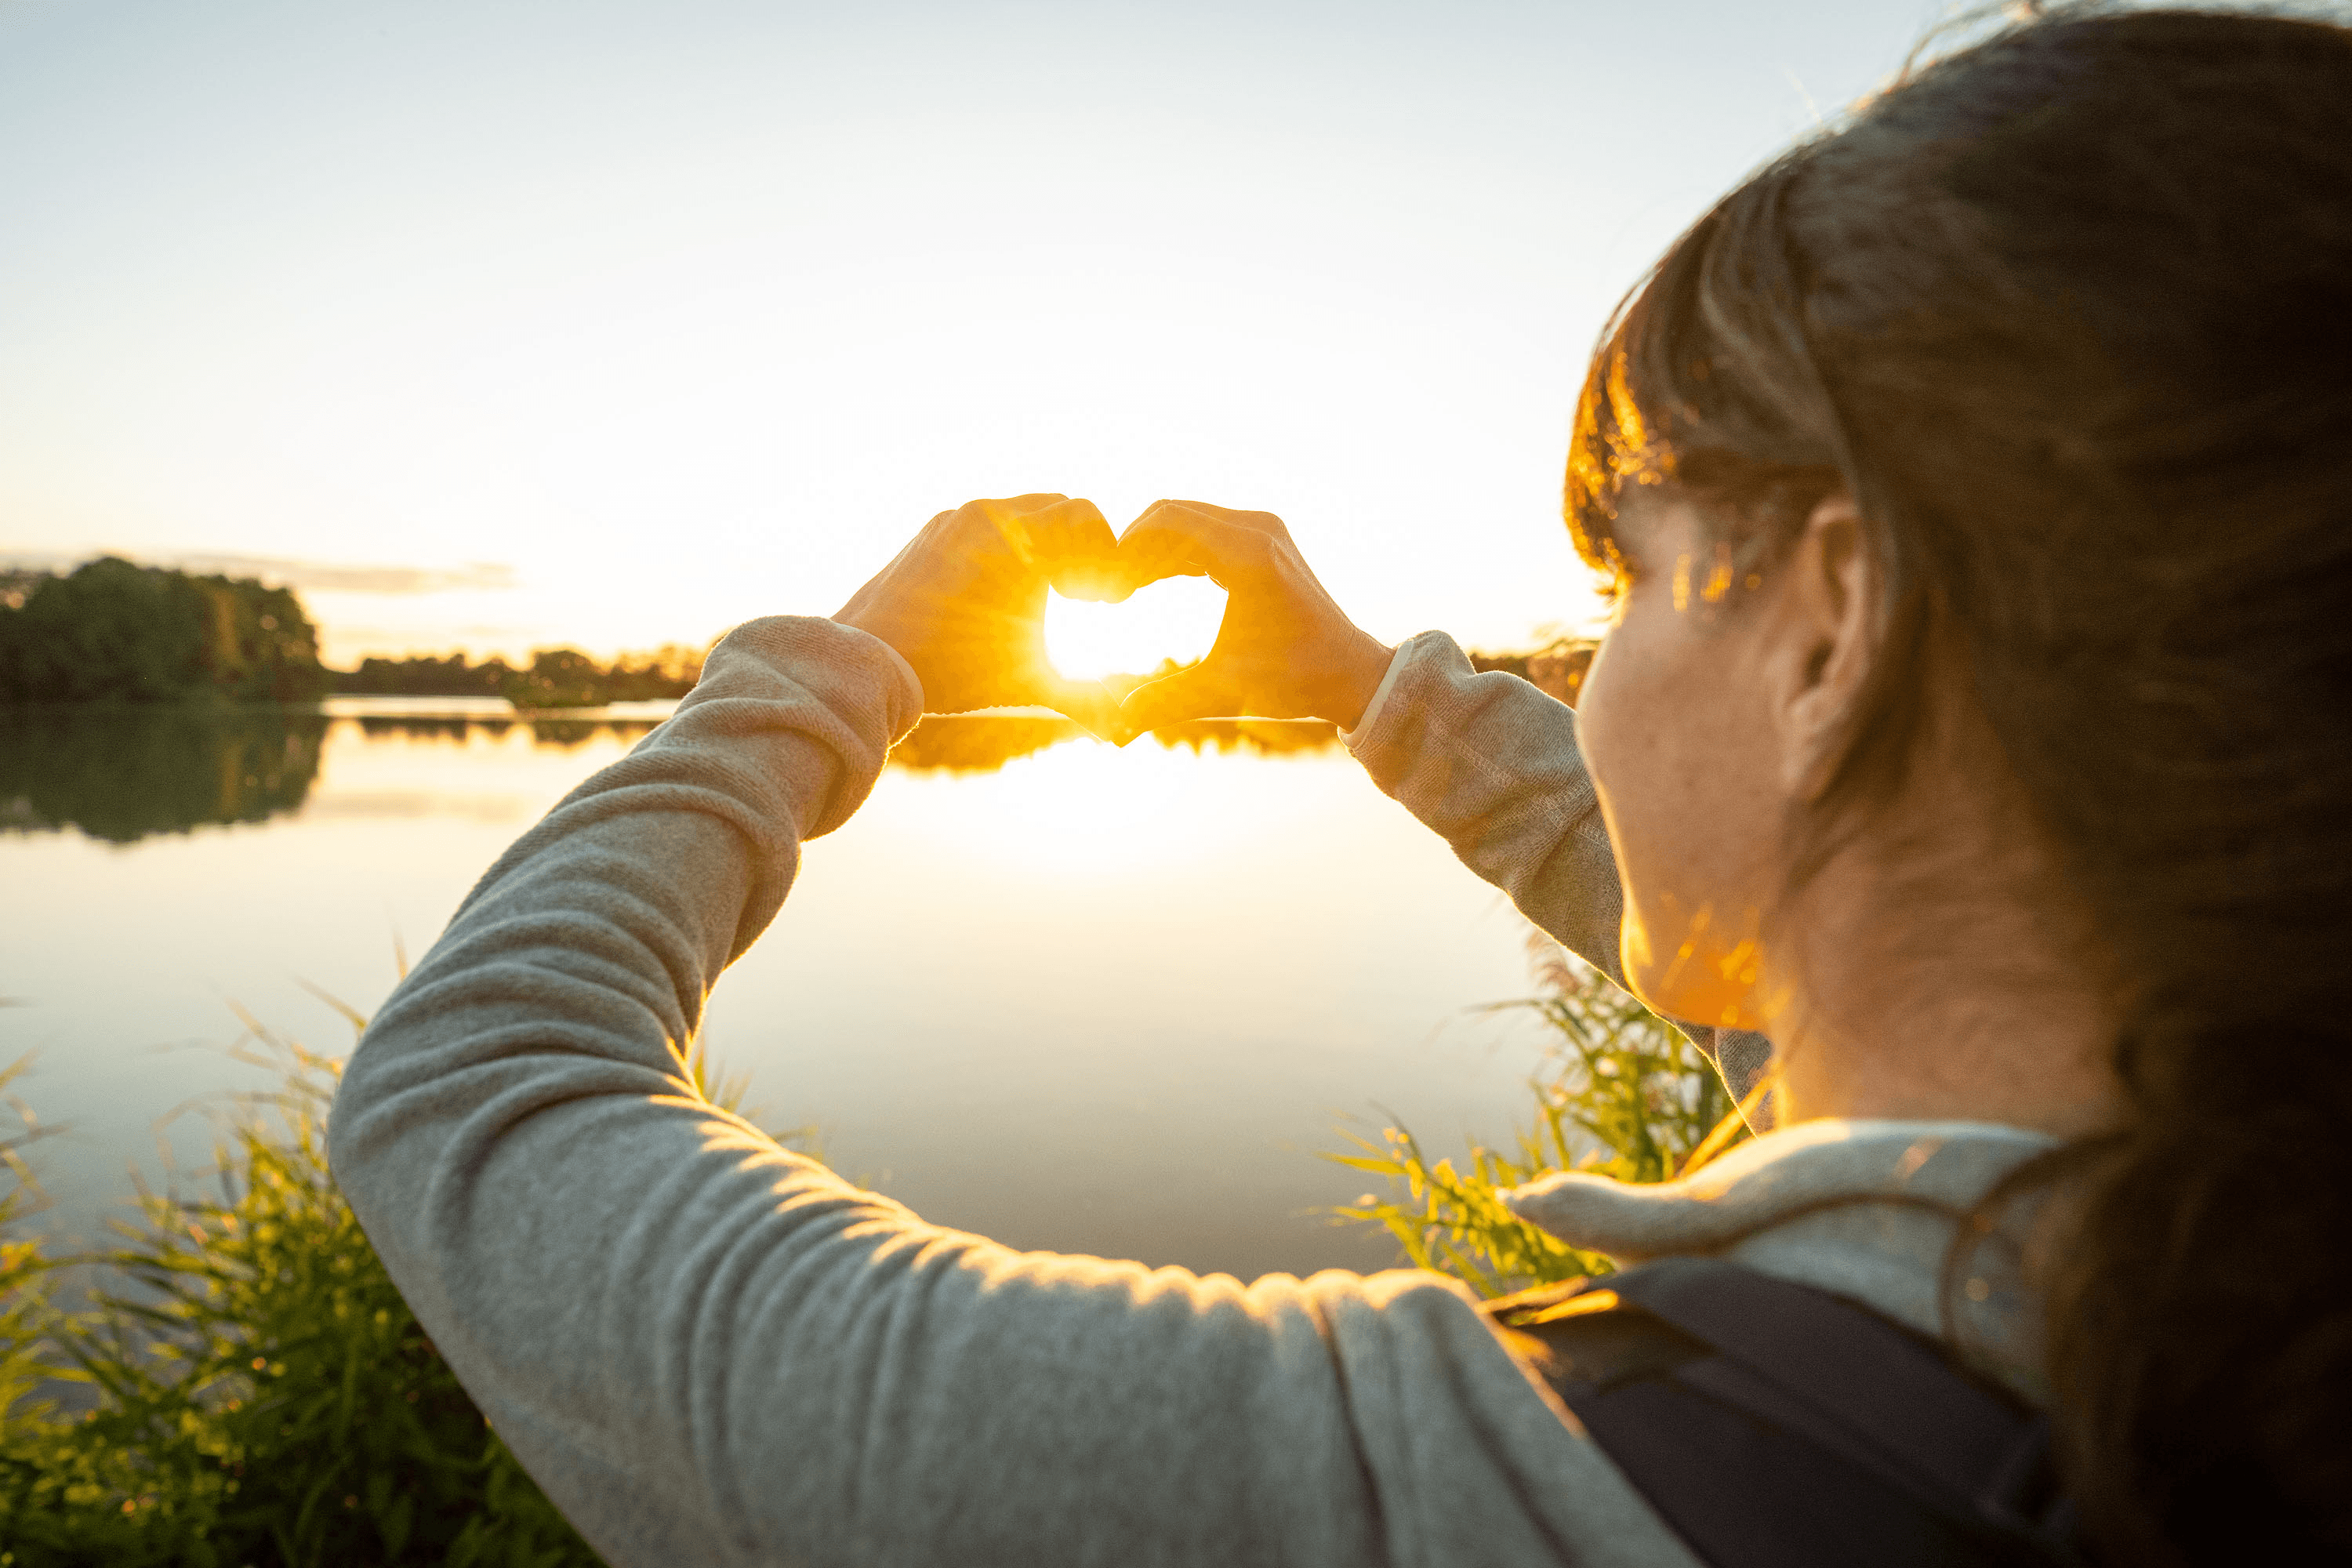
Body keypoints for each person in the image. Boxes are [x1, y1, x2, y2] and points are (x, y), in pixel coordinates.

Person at [327, 5, 2351, 1563]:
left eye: (1620, 580)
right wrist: (1376, 696)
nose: (1596, 660)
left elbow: (474, 1095)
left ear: (1833, 625)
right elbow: (1814, 942)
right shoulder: (2225, 1260)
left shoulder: (1381, 1496)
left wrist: (815, 681)